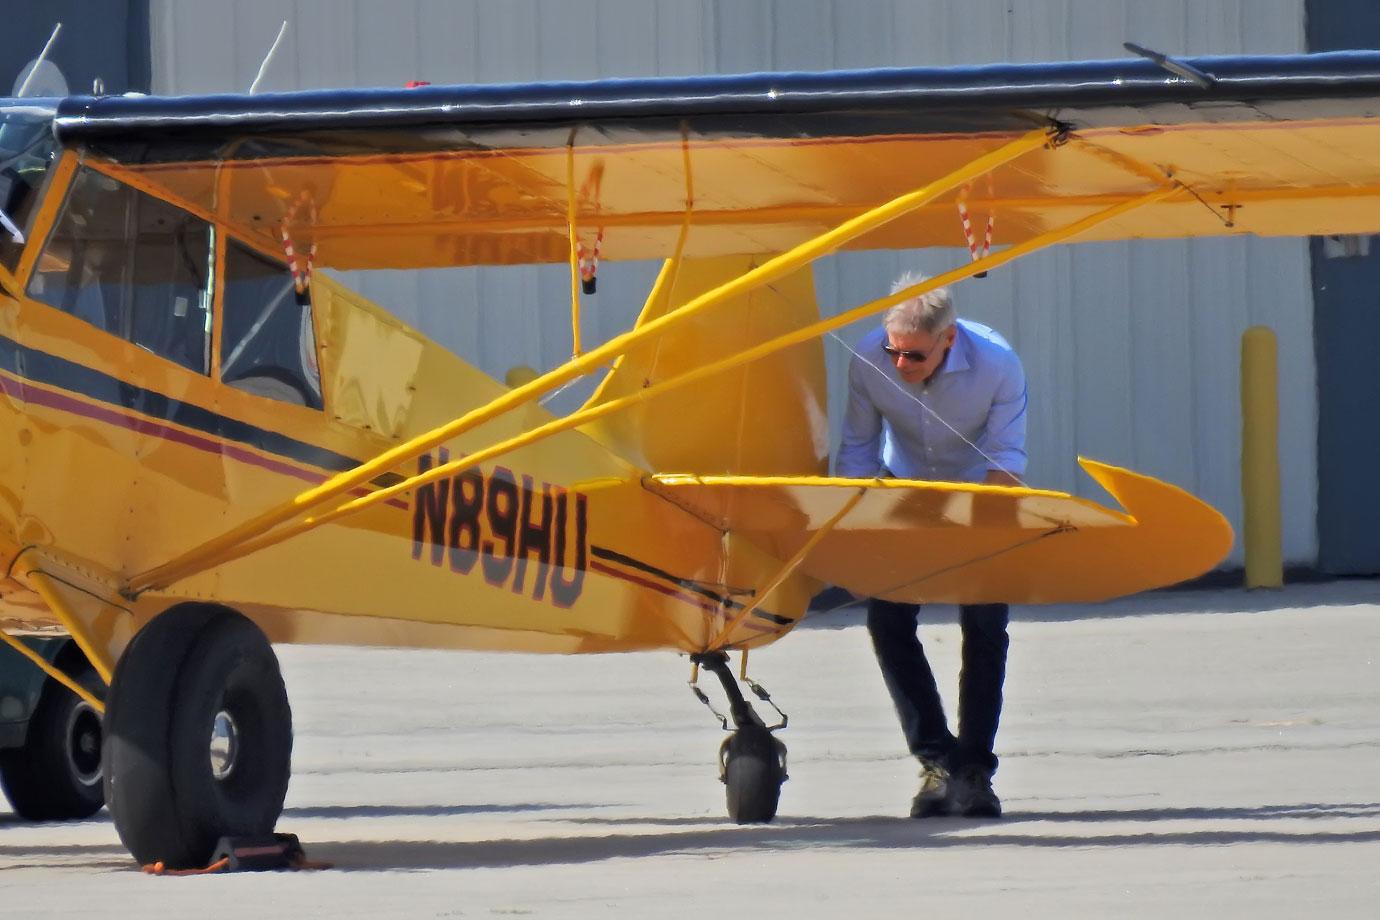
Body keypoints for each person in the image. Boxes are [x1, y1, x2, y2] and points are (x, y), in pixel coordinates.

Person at [836, 270, 1027, 819]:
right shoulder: (870, 358)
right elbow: (857, 451)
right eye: (895, 352)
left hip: (977, 496)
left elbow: (1005, 460)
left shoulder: (997, 364)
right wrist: (855, 531)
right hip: (904, 493)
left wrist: (983, 531)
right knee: (888, 623)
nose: (901, 366)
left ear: (949, 338)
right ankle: (937, 761)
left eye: (915, 357)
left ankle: (975, 771)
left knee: (985, 627)